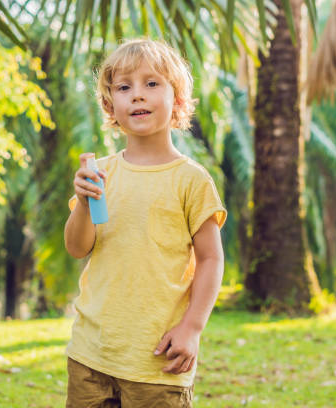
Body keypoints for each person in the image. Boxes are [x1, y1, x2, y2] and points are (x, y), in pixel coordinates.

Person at [63, 38, 227, 408]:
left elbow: (211, 259)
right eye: (124, 87)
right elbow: (77, 248)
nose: (137, 96)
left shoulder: (191, 179)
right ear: (110, 105)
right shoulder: (100, 173)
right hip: (91, 354)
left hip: (158, 362)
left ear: (178, 100)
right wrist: (85, 204)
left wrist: (192, 328)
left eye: (151, 84)